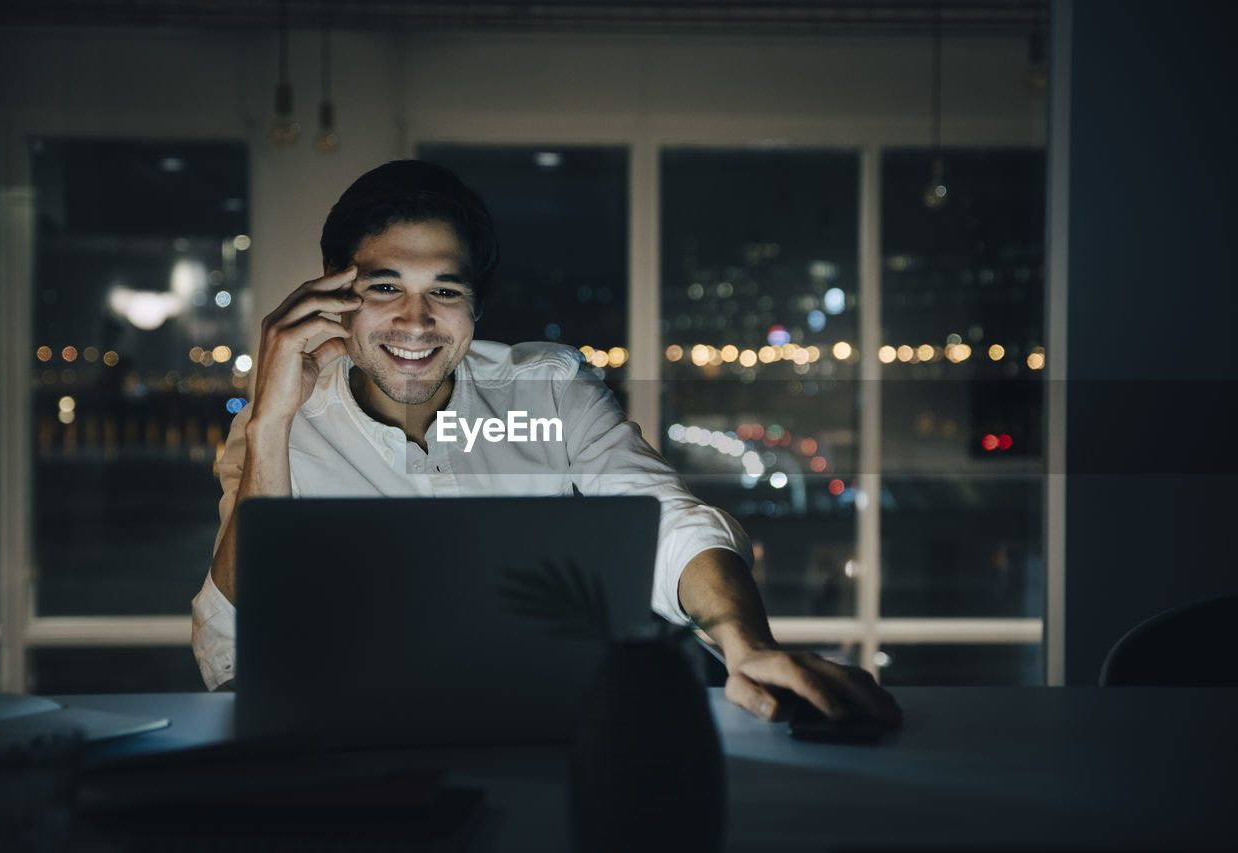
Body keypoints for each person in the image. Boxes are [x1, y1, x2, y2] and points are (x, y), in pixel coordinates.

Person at [191, 159, 901, 729]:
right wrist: (271, 418)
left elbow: (666, 519)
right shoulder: (275, 426)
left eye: (445, 289)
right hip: (345, 752)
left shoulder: (549, 387)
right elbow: (232, 636)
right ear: (334, 294)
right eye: (385, 286)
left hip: (556, 740)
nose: (416, 320)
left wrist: (747, 646)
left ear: (476, 307)